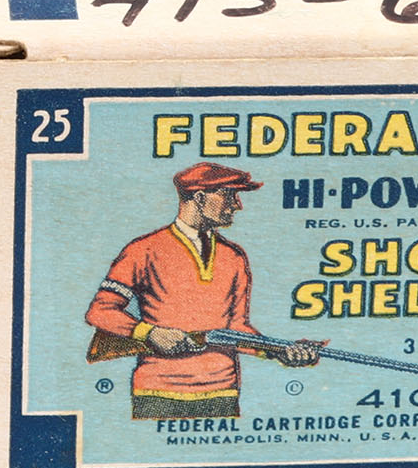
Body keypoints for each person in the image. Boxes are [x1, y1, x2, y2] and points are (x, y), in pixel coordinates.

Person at [85, 162, 320, 419]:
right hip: (158, 391)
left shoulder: (234, 256)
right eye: (228, 195)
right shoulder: (143, 250)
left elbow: (236, 328)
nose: (237, 205)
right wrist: (150, 333)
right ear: (199, 197)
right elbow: (100, 311)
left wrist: (279, 351)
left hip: (223, 391)